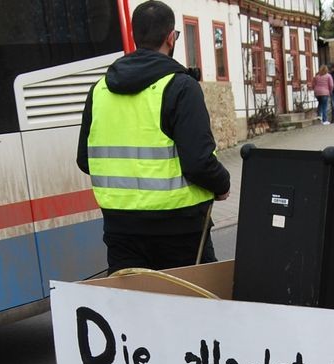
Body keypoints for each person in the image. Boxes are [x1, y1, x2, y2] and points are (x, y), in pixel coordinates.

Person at [76, 0, 230, 272]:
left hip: (121, 231)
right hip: (180, 231)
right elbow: (198, 163)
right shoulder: (181, 87)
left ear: (135, 36)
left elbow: (85, 160)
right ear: (171, 38)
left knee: (132, 309)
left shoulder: (99, 90)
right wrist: (222, 184)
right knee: (193, 308)